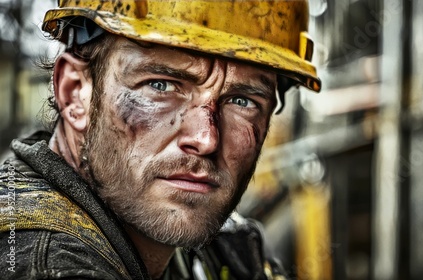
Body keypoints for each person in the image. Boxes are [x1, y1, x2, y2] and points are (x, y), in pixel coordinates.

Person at [0, 0, 320, 279]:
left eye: (242, 101)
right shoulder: (40, 261)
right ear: (75, 95)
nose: (206, 139)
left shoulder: (222, 250)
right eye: (161, 86)